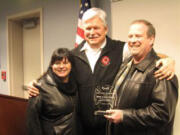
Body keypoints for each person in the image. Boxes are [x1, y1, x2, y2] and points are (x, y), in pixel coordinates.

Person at [28, 8, 175, 135]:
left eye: (96, 28)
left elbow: (145, 53)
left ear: (105, 29)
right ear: (83, 30)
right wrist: (35, 83)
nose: (92, 32)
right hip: (81, 127)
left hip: (110, 127)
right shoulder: (73, 55)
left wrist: (169, 60)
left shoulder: (121, 49)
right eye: (88, 28)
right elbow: (55, 72)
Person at [104, 19, 178, 135]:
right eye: (130, 36)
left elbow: (162, 113)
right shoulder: (126, 64)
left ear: (151, 39)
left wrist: (125, 116)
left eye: (138, 36)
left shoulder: (161, 70)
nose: (133, 40)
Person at [26, 48, 77, 135]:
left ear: (71, 65)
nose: (61, 66)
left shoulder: (75, 83)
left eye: (65, 63)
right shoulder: (39, 88)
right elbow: (32, 122)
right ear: (51, 66)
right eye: (57, 63)